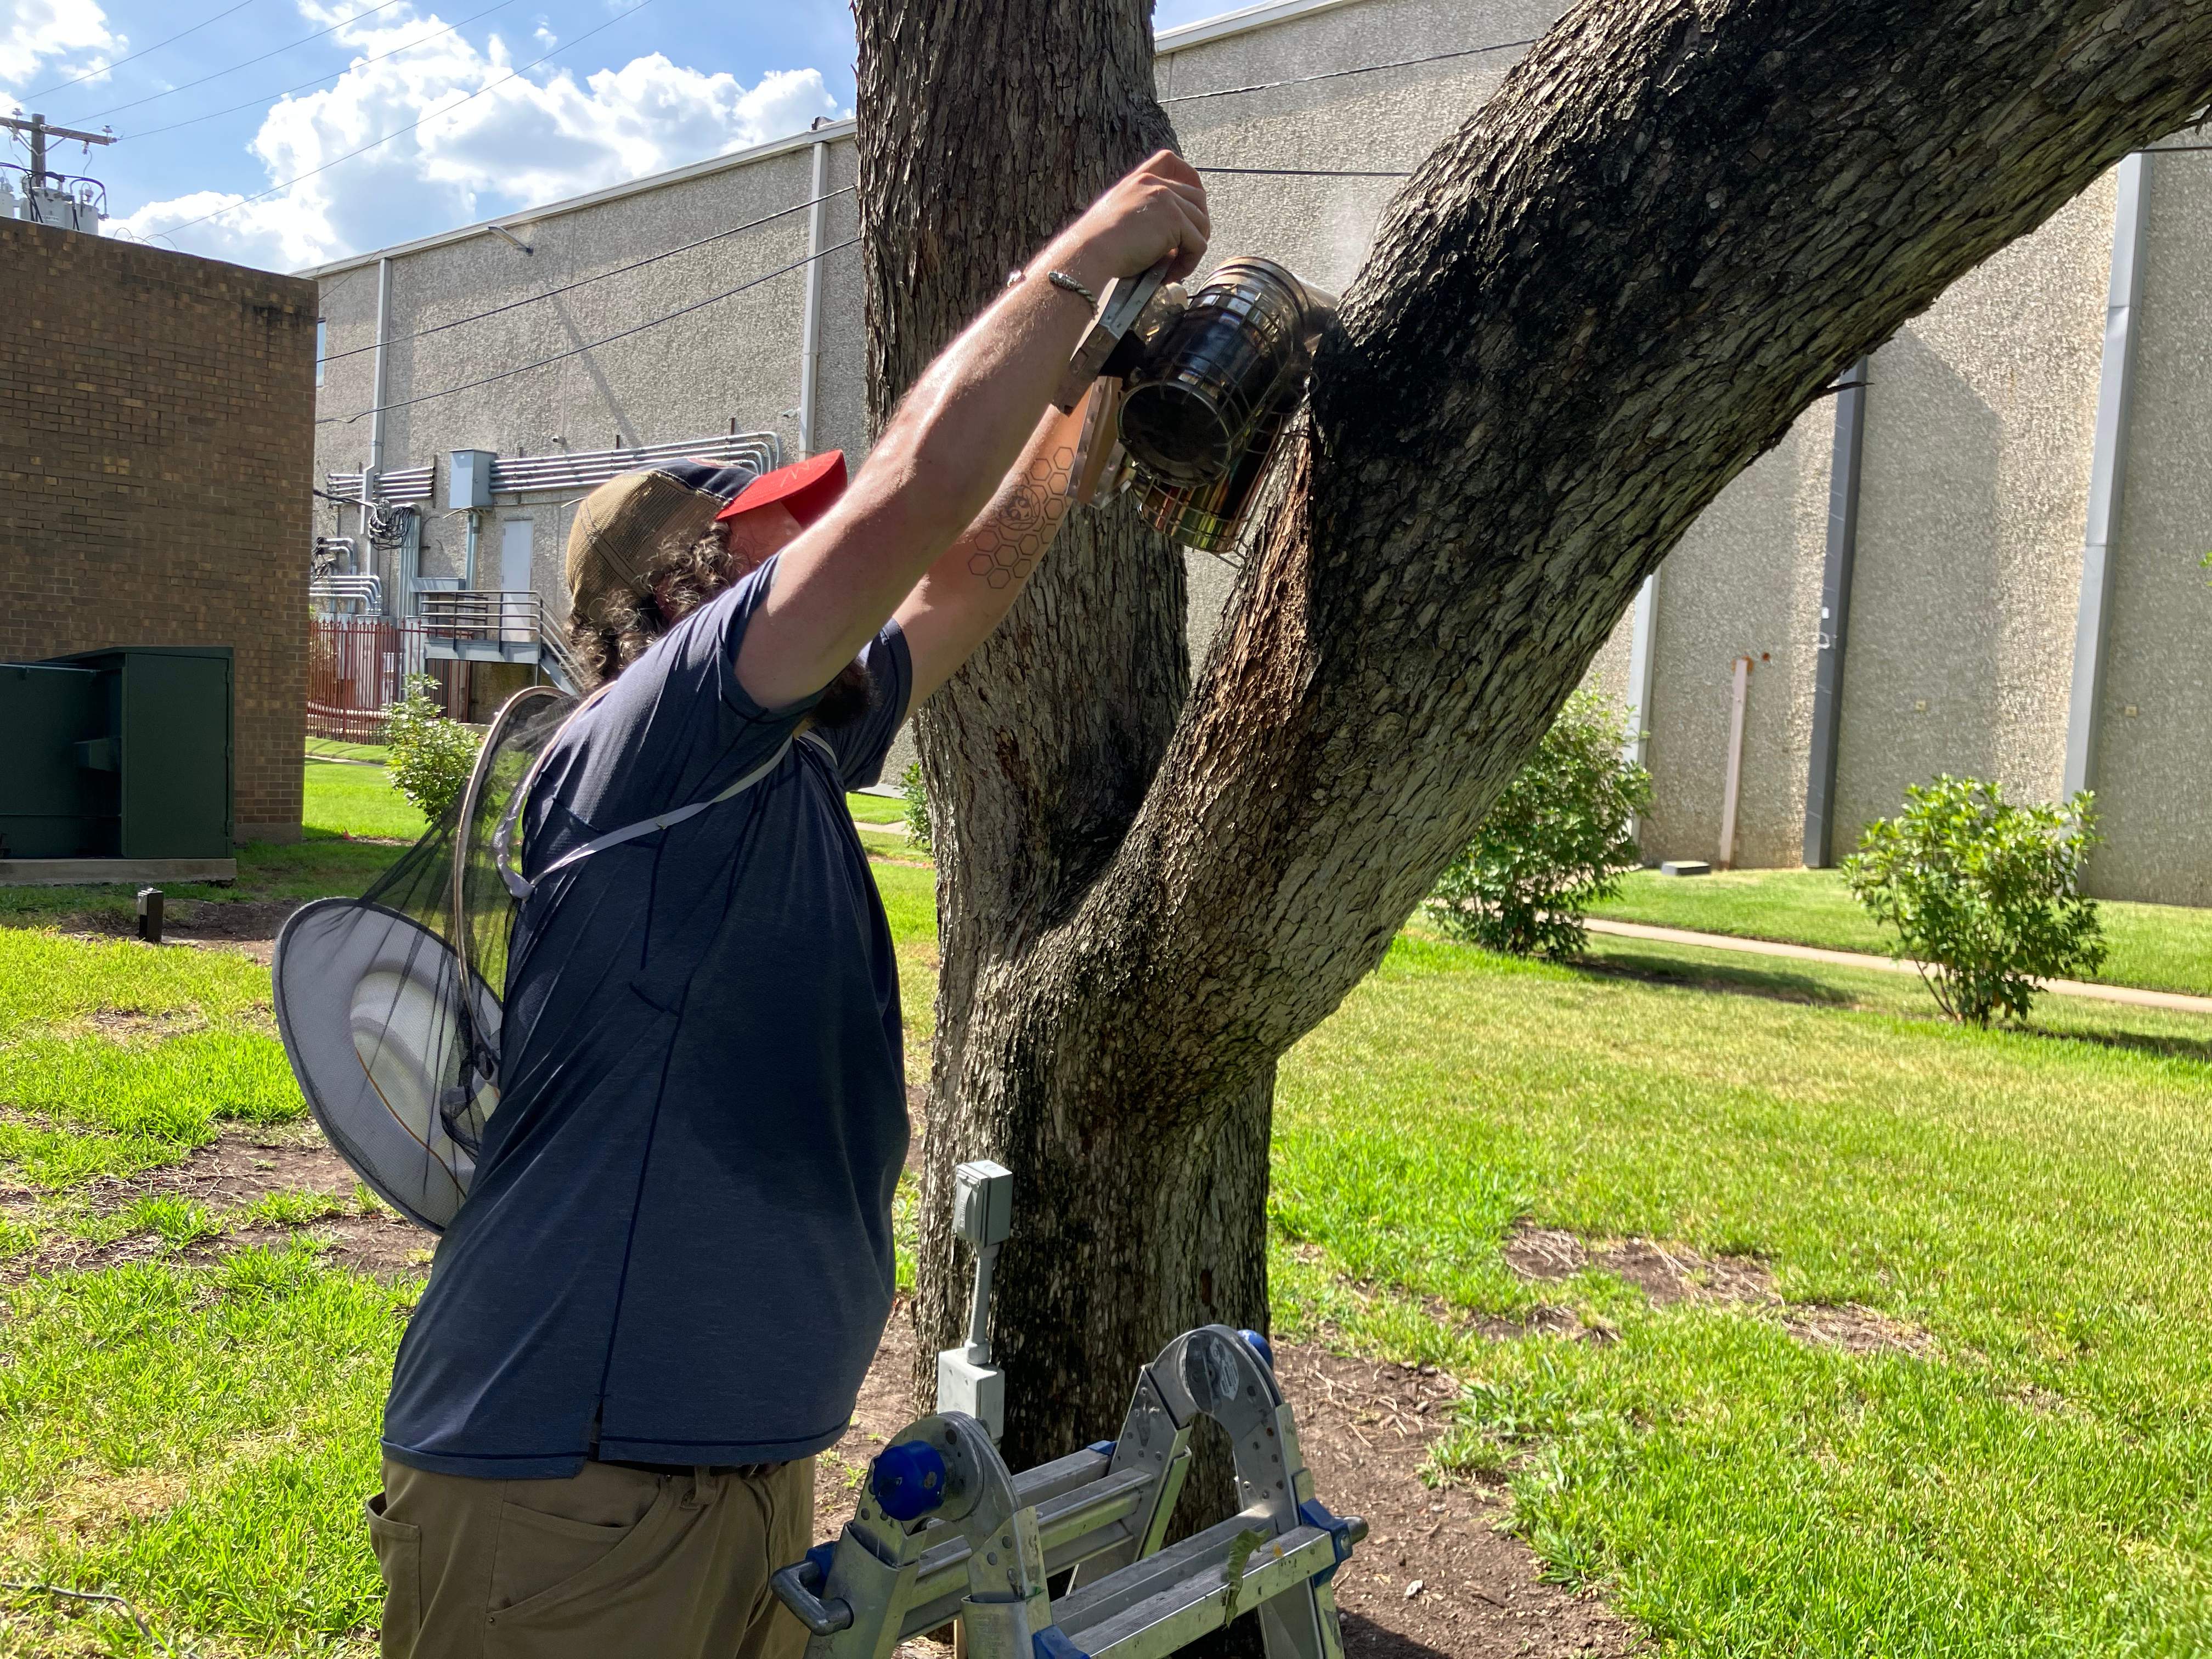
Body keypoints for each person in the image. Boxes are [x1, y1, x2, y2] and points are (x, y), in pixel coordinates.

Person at [363, 150, 1211, 1659]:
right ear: (678, 591)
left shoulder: (791, 755)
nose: (819, 554)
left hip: (734, 1477)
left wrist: (1091, 382)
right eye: (772, 536)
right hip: (572, 1492)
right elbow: (914, 495)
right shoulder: (651, 739)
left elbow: (978, 557)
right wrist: (1095, 246)